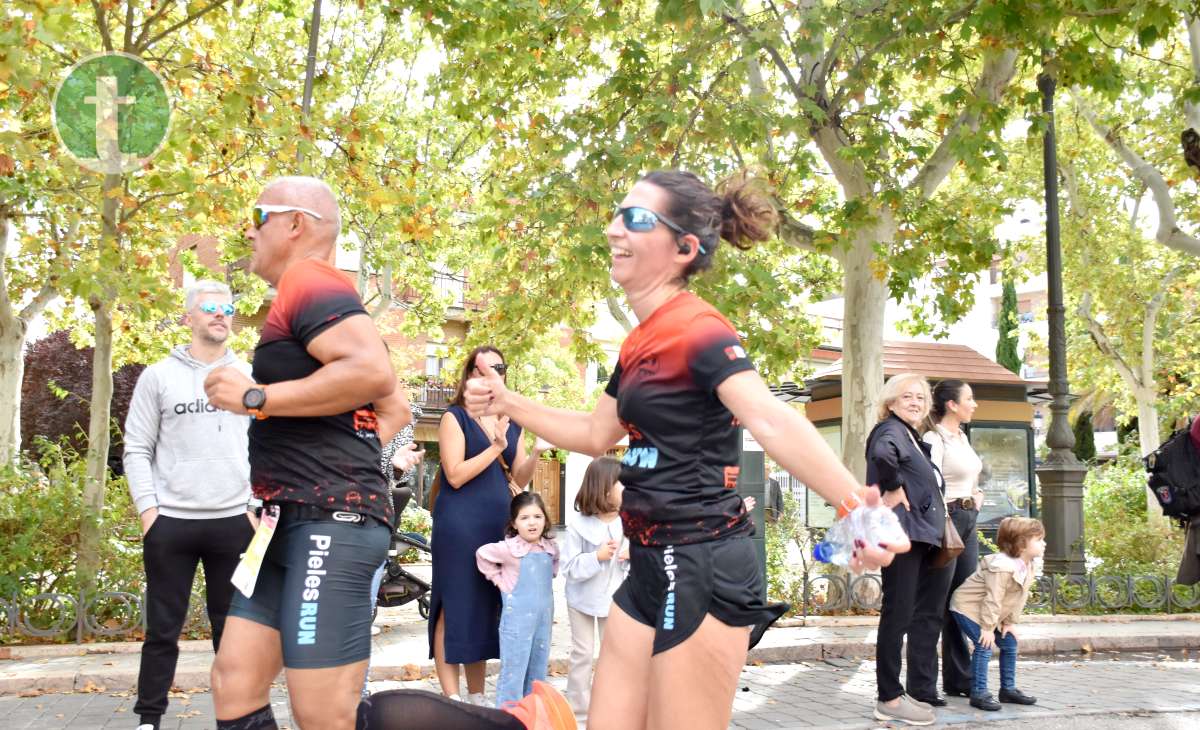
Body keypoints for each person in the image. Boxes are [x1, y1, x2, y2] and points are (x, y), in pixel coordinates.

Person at [461, 169, 905, 730]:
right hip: (648, 561)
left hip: (703, 560)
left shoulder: (698, 328)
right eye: (617, 215)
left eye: (637, 219)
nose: (615, 230)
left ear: (683, 248)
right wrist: (507, 400)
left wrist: (856, 506)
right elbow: (597, 434)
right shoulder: (638, 342)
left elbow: (768, 418)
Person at [203, 176, 408, 730]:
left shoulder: (310, 280)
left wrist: (256, 397)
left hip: (329, 522)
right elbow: (396, 408)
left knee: (324, 712)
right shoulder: (302, 298)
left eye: (258, 214)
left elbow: (371, 372)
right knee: (234, 683)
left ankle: (524, 723)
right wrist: (343, 448)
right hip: (281, 520)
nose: (249, 228)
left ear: (295, 224)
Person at [123, 280, 258, 730]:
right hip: (172, 525)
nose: (221, 314)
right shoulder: (158, 376)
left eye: (227, 308)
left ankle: (238, 718)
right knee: (162, 630)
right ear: (189, 317)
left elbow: (267, 445)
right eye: (210, 308)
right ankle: (149, 719)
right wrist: (149, 512)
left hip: (234, 522)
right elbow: (137, 448)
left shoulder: (250, 377)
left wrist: (256, 505)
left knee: (233, 635)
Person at [431, 346, 548, 705]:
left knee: (482, 607)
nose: (494, 372)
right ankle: (453, 698)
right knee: (454, 604)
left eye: (500, 366)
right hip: (458, 523)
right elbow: (454, 475)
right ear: (471, 375)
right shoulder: (455, 416)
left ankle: (477, 698)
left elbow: (520, 477)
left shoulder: (511, 420)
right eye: (484, 367)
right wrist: (495, 445)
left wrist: (535, 452)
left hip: (496, 525)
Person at [868, 373, 953, 726]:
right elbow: (880, 455)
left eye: (921, 397)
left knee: (905, 614)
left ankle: (897, 694)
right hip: (903, 535)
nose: (916, 402)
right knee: (898, 614)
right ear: (891, 402)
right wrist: (894, 486)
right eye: (907, 396)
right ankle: (888, 697)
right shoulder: (890, 431)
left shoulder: (912, 437)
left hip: (918, 537)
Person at [923, 379, 985, 699]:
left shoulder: (962, 437)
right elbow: (929, 483)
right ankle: (928, 683)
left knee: (963, 600)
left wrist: (975, 495)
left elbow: (968, 477)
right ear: (952, 404)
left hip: (969, 519)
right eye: (969, 399)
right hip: (946, 521)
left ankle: (959, 680)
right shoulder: (934, 438)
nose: (974, 404)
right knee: (938, 601)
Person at [949, 517, 1044, 711]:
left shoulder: (1028, 565)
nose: (1044, 543)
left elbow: (1018, 597)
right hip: (967, 607)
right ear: (1022, 544)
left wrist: (1009, 623)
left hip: (987, 611)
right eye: (1039, 539)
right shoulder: (1002, 567)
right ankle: (979, 692)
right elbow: (993, 599)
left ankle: (1007, 690)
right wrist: (987, 629)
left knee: (1009, 642)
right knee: (984, 645)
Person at [476, 492, 560, 708]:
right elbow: (482, 554)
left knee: (537, 669)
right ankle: (508, 717)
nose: (532, 522)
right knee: (514, 670)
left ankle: (532, 714)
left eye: (537, 516)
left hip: (542, 621)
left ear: (545, 519)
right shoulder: (509, 549)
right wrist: (499, 580)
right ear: (514, 523)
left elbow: (554, 567)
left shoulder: (550, 548)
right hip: (516, 624)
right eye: (524, 518)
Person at [559, 456, 628, 714]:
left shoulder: (630, 522)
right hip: (581, 600)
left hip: (616, 599)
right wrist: (595, 557)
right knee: (583, 653)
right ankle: (578, 707)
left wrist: (632, 556)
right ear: (604, 487)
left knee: (615, 654)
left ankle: (614, 705)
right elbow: (568, 568)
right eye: (622, 482)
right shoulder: (579, 524)